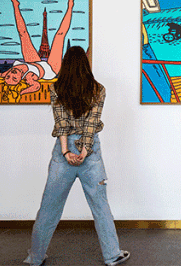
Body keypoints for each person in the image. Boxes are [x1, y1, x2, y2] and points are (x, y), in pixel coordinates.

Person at [24, 46, 129, 266]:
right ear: (85, 64)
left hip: (63, 150)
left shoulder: (56, 88)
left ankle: (35, 257)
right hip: (90, 152)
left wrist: (66, 152)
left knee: (49, 207)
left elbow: (61, 124)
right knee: (100, 206)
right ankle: (112, 255)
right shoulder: (98, 89)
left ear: (65, 64)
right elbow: (91, 126)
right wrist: (84, 151)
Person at [0, 0, 74, 96]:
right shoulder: (29, 76)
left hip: (34, 63)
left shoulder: (12, 71)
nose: (12, 74)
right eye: (14, 78)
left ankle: (15, 5)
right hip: (49, 69)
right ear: (20, 79)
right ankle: (70, 5)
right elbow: (36, 86)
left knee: (23, 34)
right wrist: (23, 92)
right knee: (59, 36)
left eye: (8, 76)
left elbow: (4, 74)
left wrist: (1, 75)